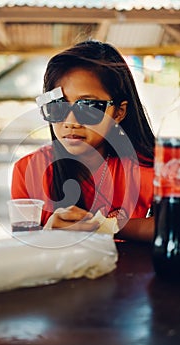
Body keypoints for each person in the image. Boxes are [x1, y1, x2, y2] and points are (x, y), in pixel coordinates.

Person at [11, 40, 155, 241]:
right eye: (58, 106)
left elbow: (171, 226)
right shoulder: (29, 170)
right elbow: (21, 248)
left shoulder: (144, 167)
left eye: (88, 107)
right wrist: (46, 236)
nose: (70, 122)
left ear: (119, 112)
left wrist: (104, 226)